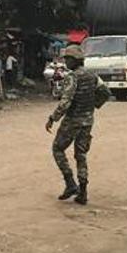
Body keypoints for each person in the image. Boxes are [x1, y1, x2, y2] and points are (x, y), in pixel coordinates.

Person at [46, 44, 110, 205]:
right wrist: (93, 105)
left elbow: (65, 102)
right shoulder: (92, 75)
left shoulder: (72, 77)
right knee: (81, 155)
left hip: (73, 120)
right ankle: (83, 192)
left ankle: (70, 183)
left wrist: (53, 118)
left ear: (75, 60)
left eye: (68, 59)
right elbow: (105, 92)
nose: (66, 62)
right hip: (88, 121)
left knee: (57, 149)